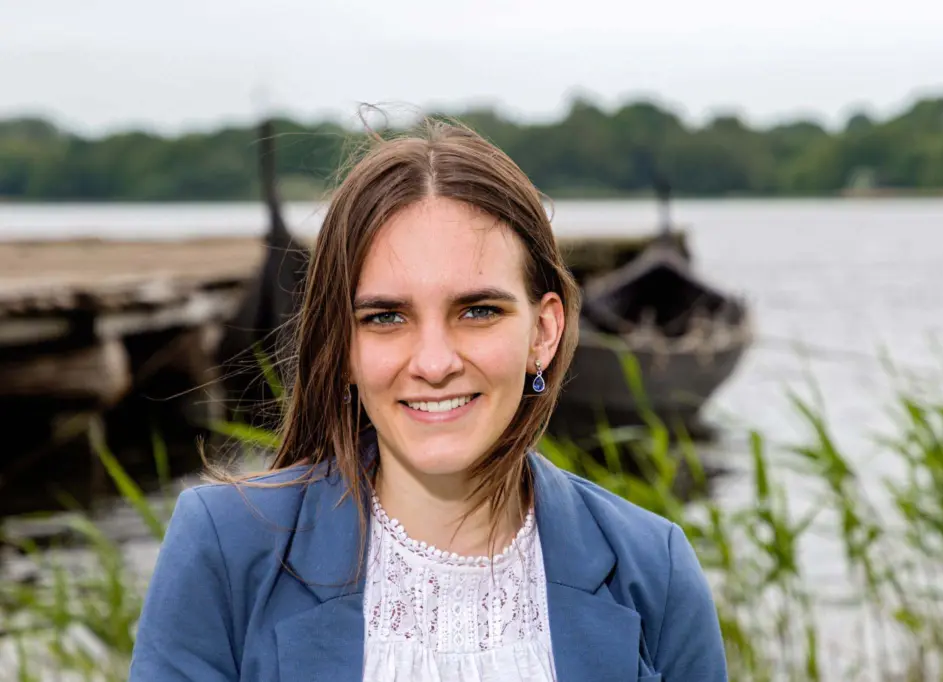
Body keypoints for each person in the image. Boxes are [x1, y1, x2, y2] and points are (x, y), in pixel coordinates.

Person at [128, 118, 728, 682]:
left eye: (478, 311)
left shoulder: (654, 570)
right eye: (386, 317)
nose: (435, 363)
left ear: (543, 333)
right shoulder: (224, 548)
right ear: (342, 345)